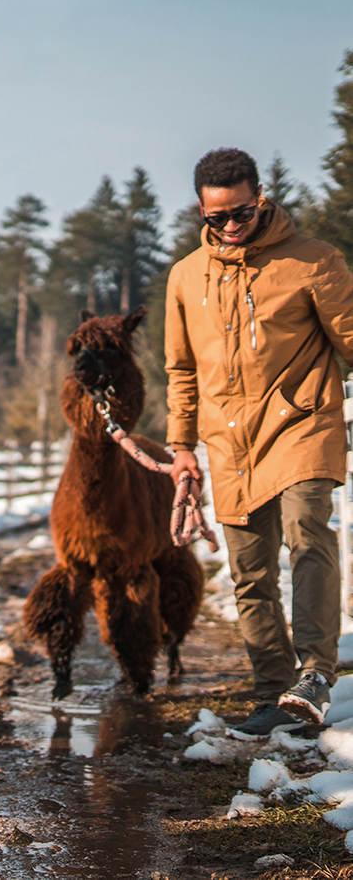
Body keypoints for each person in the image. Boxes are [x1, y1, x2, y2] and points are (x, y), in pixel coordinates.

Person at [166, 147, 353, 740]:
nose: (228, 226)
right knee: (249, 572)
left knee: (306, 536)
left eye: (240, 214)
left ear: (260, 198)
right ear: (201, 208)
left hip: (303, 425)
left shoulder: (314, 262)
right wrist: (182, 447)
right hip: (229, 442)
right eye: (215, 217)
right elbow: (182, 371)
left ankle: (315, 674)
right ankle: (274, 691)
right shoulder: (185, 277)